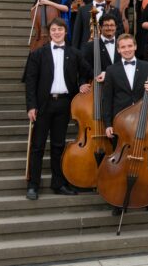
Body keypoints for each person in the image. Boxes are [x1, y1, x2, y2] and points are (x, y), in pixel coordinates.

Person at [24, 18, 88, 200]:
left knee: (59, 145)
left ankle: (58, 183)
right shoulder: (38, 53)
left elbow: (87, 71)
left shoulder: (74, 53)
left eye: (60, 29)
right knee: (37, 146)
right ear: (49, 32)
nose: (57, 32)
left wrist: (83, 83)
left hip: (64, 104)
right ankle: (33, 185)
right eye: (54, 30)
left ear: (65, 32)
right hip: (43, 105)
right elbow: (30, 82)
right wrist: (31, 106)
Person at [101, 34, 148, 214]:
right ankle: (119, 200)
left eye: (130, 46)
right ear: (118, 49)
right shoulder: (112, 70)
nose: (127, 49)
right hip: (121, 125)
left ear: (135, 46)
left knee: (146, 162)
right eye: (123, 47)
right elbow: (107, 100)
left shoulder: (147, 66)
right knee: (120, 164)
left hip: (144, 122)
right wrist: (108, 124)